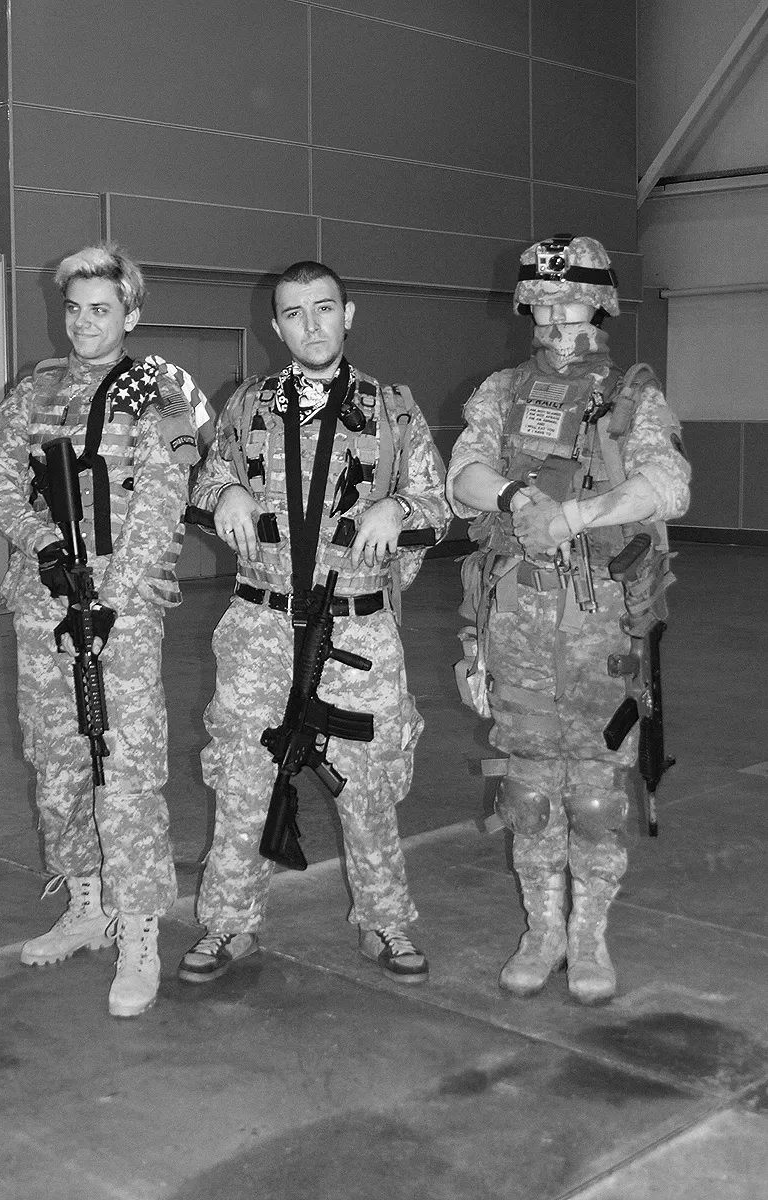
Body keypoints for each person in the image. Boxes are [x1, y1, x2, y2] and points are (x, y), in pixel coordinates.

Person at [177, 260, 450, 986]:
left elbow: (439, 503)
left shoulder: (392, 410)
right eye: (294, 313)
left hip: (357, 630)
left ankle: (385, 922)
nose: (311, 325)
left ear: (348, 314)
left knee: (367, 785)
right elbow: (203, 478)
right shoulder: (248, 405)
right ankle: (229, 923)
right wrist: (225, 490)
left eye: (324, 308)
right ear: (277, 326)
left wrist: (399, 507)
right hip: (261, 626)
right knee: (243, 781)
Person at [447, 236, 690, 1005]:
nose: (555, 316)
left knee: (594, 797)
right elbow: (463, 477)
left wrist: (576, 515)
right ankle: (543, 930)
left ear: (601, 304)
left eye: (570, 301)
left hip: (601, 631)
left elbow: (668, 485)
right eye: (541, 303)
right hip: (515, 624)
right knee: (527, 792)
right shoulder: (501, 391)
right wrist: (519, 497)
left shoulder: (632, 397)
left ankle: (589, 938)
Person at [0, 243, 210, 1018]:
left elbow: (163, 501)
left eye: (101, 309)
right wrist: (42, 543)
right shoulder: (34, 390)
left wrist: (110, 598)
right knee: (56, 762)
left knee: (126, 772)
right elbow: (0, 482)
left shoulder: (160, 394)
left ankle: (139, 932)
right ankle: (85, 904)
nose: (84, 323)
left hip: (124, 609)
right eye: (75, 308)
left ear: (131, 314)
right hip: (43, 600)